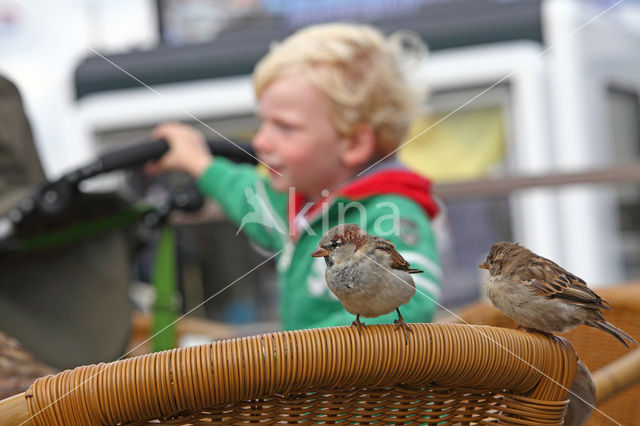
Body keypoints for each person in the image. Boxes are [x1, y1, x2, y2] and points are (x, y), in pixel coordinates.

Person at [147, 23, 442, 330]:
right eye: (262, 123)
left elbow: (420, 300)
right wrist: (197, 162)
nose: (260, 141)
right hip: (307, 375)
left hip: (373, 375)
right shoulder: (292, 202)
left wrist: (301, 353)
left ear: (353, 143)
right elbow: (241, 190)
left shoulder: (392, 209)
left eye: (284, 127)